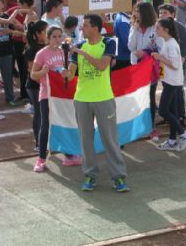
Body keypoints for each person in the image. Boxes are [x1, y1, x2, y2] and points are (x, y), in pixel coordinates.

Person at [62, 14, 128, 193]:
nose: (82, 28)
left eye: (85, 25)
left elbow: (101, 65)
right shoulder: (79, 47)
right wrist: (61, 69)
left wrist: (82, 52)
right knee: (86, 140)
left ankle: (118, 176)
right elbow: (71, 73)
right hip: (82, 99)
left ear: (96, 28)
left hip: (104, 98)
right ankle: (90, 175)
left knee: (110, 139)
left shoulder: (108, 43)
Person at [30, 25, 83, 172]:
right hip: (47, 94)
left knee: (64, 122)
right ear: (47, 38)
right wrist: (43, 72)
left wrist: (67, 72)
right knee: (46, 125)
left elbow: (69, 75)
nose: (57, 39)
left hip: (63, 95)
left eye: (60, 36)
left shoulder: (64, 52)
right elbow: (33, 75)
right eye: (54, 36)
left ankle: (69, 154)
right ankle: (41, 159)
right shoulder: (41, 54)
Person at [152, 18, 186, 151]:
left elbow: (175, 65)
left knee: (163, 110)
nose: (156, 30)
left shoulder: (171, 44)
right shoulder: (167, 42)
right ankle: (172, 140)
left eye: (158, 28)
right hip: (171, 81)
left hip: (172, 83)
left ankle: (183, 133)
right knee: (173, 111)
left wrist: (159, 57)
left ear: (166, 30)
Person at [128, 2, 162, 141]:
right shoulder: (134, 27)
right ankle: (139, 126)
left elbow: (160, 47)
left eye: (138, 12)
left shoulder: (156, 28)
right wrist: (135, 30)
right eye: (135, 11)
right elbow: (131, 46)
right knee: (138, 97)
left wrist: (146, 52)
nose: (136, 14)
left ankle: (152, 127)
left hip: (150, 67)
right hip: (136, 67)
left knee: (150, 97)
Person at [158, 4, 186, 128]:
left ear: (173, 14)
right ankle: (169, 116)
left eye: (165, 13)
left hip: (175, 66)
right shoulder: (160, 27)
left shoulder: (179, 27)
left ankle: (181, 117)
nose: (161, 15)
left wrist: (181, 57)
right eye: (160, 13)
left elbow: (185, 42)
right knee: (167, 91)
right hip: (164, 66)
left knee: (178, 92)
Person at [24, 21, 49, 144]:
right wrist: (45, 84)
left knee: (46, 114)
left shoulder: (49, 47)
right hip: (35, 86)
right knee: (39, 113)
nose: (48, 33)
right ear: (38, 34)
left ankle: (45, 141)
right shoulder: (31, 49)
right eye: (45, 31)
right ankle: (39, 143)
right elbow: (31, 70)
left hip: (45, 85)